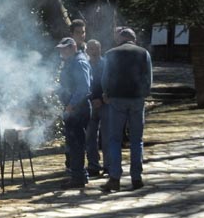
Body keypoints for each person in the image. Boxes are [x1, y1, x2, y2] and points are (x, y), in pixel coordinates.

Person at [100, 28, 153, 191]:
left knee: (115, 139)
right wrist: (145, 93)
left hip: (116, 99)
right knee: (137, 140)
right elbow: (148, 78)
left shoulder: (110, 54)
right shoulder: (143, 53)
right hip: (137, 99)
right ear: (134, 39)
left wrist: (105, 93)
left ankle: (115, 178)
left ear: (120, 39)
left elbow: (105, 77)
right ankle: (136, 178)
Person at [56, 37, 92, 189]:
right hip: (74, 108)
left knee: (77, 143)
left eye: (64, 48)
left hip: (79, 108)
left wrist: (71, 104)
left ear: (73, 47)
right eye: (61, 49)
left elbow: (84, 87)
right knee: (74, 142)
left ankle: (78, 177)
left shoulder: (79, 62)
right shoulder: (71, 62)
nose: (61, 51)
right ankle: (79, 175)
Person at [85, 39, 109, 177]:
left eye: (96, 48)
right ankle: (93, 166)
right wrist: (91, 99)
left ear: (100, 49)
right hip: (90, 105)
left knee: (106, 137)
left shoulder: (106, 64)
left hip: (105, 104)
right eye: (91, 49)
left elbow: (110, 81)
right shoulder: (85, 64)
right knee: (90, 137)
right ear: (87, 50)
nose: (93, 51)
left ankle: (108, 166)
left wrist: (101, 98)